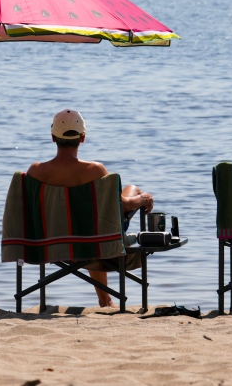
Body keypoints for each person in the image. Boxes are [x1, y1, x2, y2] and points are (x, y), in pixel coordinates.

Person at [26, 109, 154, 308]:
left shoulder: (35, 171)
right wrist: (143, 199)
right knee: (130, 193)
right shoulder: (96, 171)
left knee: (89, 224)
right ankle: (105, 299)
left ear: (53, 138)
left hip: (49, 242)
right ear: (82, 138)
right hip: (94, 241)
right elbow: (124, 206)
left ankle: (106, 298)